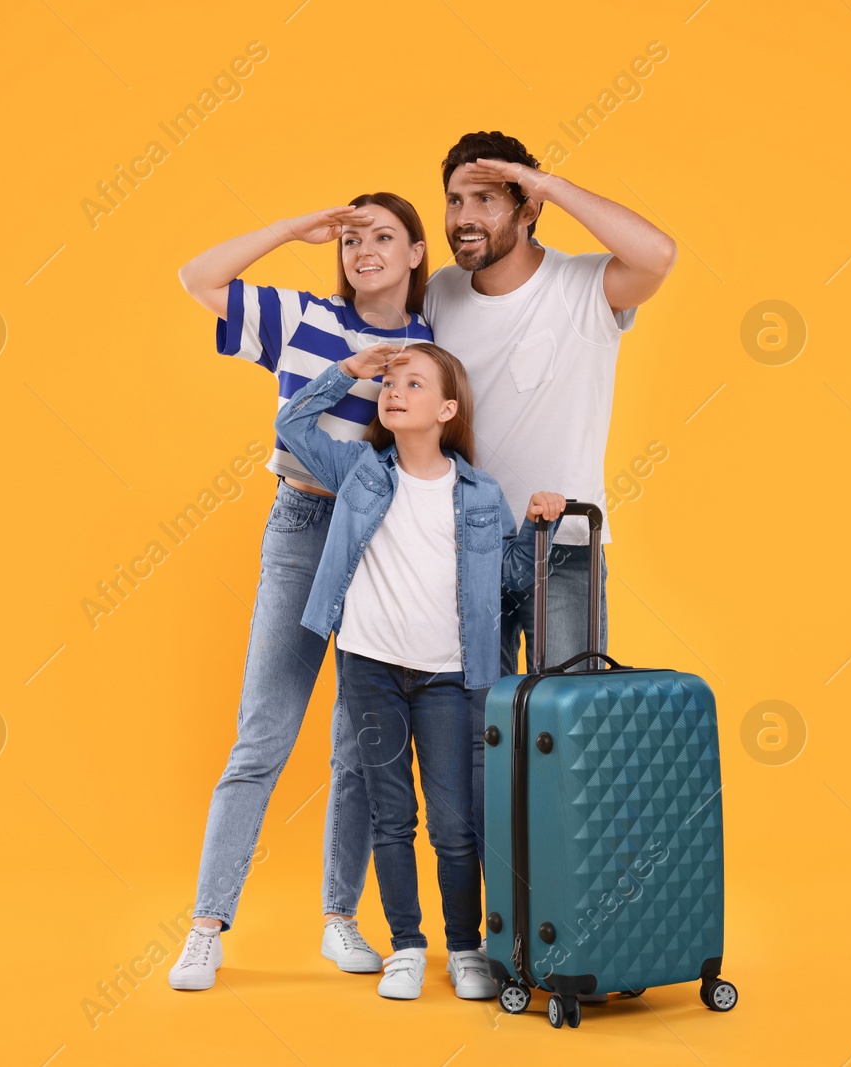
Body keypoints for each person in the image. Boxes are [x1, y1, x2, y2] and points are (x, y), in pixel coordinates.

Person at [168, 194, 434, 991]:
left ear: (418, 253)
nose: (365, 250)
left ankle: (339, 919)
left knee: (360, 742)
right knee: (264, 730)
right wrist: (291, 230)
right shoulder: (303, 316)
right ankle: (205, 927)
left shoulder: (437, 339)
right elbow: (198, 278)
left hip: (383, 539)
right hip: (302, 525)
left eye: (384, 237)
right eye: (353, 239)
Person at [274, 340, 566, 1000]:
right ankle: (407, 944)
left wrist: (535, 529)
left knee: (455, 824)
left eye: (412, 382)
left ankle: (464, 945)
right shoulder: (359, 472)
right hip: (371, 669)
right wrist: (349, 370)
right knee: (390, 817)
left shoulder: (482, 494)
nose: (394, 390)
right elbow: (292, 425)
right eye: (390, 382)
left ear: (447, 408)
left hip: (448, 678)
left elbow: (511, 583)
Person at [423, 130, 676, 680]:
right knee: (475, 728)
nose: (464, 216)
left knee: (561, 730)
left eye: (486, 198)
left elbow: (658, 255)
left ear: (528, 208)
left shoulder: (583, 286)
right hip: (466, 546)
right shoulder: (439, 292)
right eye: (454, 199)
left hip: (560, 547)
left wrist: (549, 185)